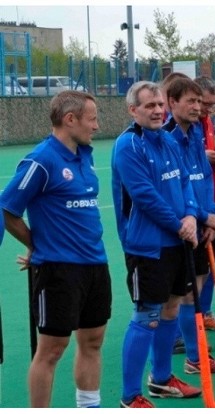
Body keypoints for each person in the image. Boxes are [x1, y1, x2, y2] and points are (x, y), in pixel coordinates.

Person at [0, 91, 112, 407]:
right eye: (92, 119)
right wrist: (37, 245)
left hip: (95, 264)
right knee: (51, 349)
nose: (96, 125)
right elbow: (7, 209)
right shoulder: (41, 160)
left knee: (93, 341)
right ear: (70, 119)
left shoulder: (85, 154)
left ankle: (89, 407)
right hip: (59, 270)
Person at [112, 81, 202, 408]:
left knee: (171, 308)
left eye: (159, 105)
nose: (156, 110)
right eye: (149, 105)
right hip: (147, 247)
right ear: (133, 110)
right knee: (146, 316)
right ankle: (129, 395)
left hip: (177, 242)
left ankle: (162, 379)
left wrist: (192, 215)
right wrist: (180, 224)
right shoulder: (128, 146)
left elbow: (185, 181)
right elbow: (145, 197)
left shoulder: (167, 139)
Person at [163, 78, 215, 374]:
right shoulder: (168, 138)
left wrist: (211, 216)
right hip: (182, 226)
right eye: (192, 101)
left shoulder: (195, 134)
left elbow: (203, 178)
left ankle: (195, 358)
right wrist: (201, 216)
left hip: (204, 219)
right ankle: (180, 360)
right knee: (175, 297)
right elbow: (175, 186)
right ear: (172, 102)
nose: (199, 107)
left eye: (199, 102)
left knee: (197, 288)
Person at [193, 75, 215, 332]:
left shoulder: (206, 122)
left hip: (211, 201)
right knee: (193, 271)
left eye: (210, 105)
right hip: (194, 209)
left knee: (209, 263)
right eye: (204, 104)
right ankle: (189, 323)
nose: (207, 110)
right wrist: (201, 156)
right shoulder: (183, 126)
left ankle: (204, 314)